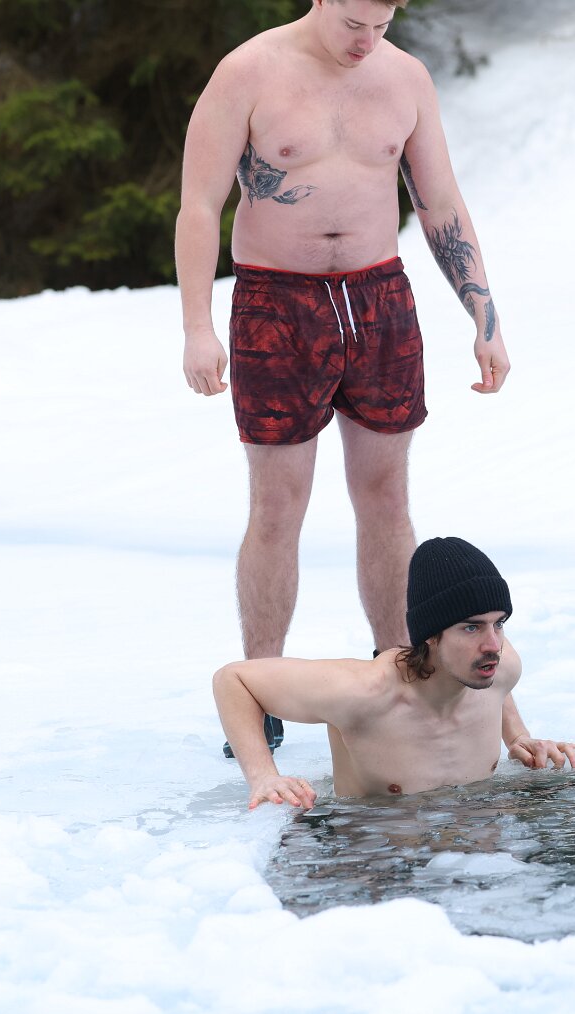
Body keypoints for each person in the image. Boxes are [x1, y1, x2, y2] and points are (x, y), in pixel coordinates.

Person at [175, 0, 507, 752]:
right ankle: (261, 689)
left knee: (386, 496)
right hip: (275, 301)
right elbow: (200, 205)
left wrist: (485, 317)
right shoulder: (248, 72)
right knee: (278, 503)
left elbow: (440, 204)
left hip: (378, 297)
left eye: (382, 26)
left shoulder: (405, 79)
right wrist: (197, 326)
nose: (367, 41)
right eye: (355, 24)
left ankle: (403, 673)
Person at [215, 537, 575, 808]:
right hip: (371, 857)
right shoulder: (365, 692)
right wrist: (264, 776)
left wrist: (520, 737)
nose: (493, 644)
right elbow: (234, 680)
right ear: (431, 635)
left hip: (476, 851)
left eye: (499, 623)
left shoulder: (502, 665)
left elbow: (496, 679)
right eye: (471, 627)